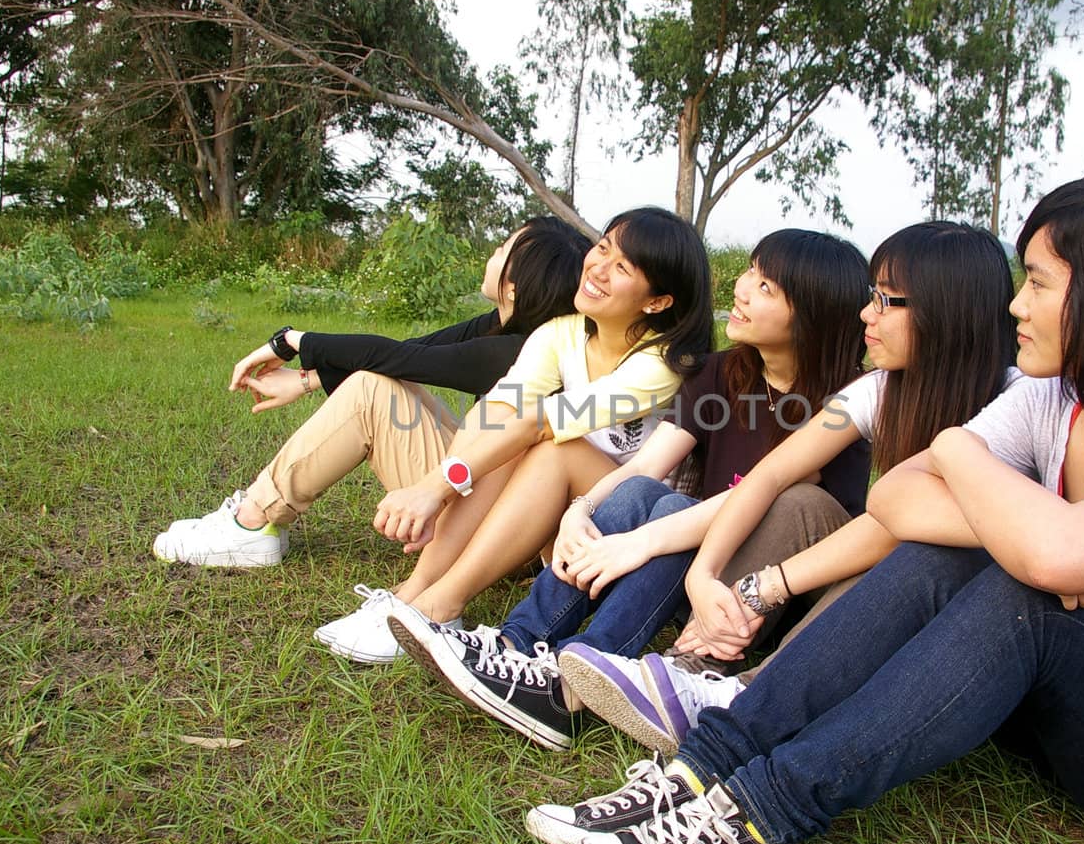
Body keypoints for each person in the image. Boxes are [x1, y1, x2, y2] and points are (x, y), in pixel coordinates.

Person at [535, 173, 1084, 844]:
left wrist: (1039, 534)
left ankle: (763, 812)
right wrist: (965, 462)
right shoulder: (1054, 401)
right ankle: (704, 763)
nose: (1017, 306)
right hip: (1059, 721)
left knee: (1029, 588)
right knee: (971, 549)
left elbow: (1053, 560)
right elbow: (900, 498)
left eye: (1040, 284)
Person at [385, 229, 871, 749]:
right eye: (750, 270)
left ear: (813, 314)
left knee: (685, 509)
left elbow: (755, 496)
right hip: (693, 573)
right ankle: (517, 642)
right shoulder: (718, 373)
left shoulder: (846, 401)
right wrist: (581, 508)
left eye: (767, 286)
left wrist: (643, 541)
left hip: (763, 592)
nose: (743, 288)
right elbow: (648, 463)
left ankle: (571, 683)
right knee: (648, 493)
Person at [553, 220, 1019, 755]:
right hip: (793, 571)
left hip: (958, 613)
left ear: (948, 313)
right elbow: (771, 473)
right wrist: (704, 577)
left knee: (888, 547)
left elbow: (896, 528)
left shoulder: (1011, 404)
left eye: (888, 302)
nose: (868, 315)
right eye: (871, 298)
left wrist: (762, 587)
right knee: (776, 497)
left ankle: (744, 698)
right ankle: (680, 670)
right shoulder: (880, 389)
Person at [315, 206, 715, 662]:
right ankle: (415, 592)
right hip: (565, 528)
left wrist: (433, 488)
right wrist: (444, 490)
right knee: (498, 424)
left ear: (657, 302)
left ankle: (442, 605)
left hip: (637, 546)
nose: (598, 268)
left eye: (622, 267)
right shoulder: (560, 335)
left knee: (549, 448)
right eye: (602, 248)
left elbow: (538, 425)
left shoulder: (661, 363)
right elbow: (497, 413)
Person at [152, 216, 590, 567]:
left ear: (515, 283)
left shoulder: (518, 350)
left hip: (506, 536)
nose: (491, 254)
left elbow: (395, 359)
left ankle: (252, 523)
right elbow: (405, 354)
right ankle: (256, 517)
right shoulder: (509, 327)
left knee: (369, 389)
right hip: (496, 496)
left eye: (502, 249)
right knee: (377, 383)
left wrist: (291, 341)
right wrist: (308, 380)